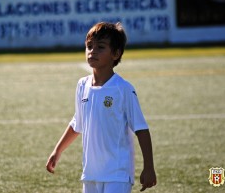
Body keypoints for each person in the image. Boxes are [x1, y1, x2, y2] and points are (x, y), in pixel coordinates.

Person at [46, 22, 156, 193]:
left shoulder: (123, 88)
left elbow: (141, 129)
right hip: (90, 174)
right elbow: (78, 123)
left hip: (117, 174)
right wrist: (57, 150)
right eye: (89, 46)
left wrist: (148, 167)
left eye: (100, 47)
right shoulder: (82, 85)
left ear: (116, 53)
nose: (92, 51)